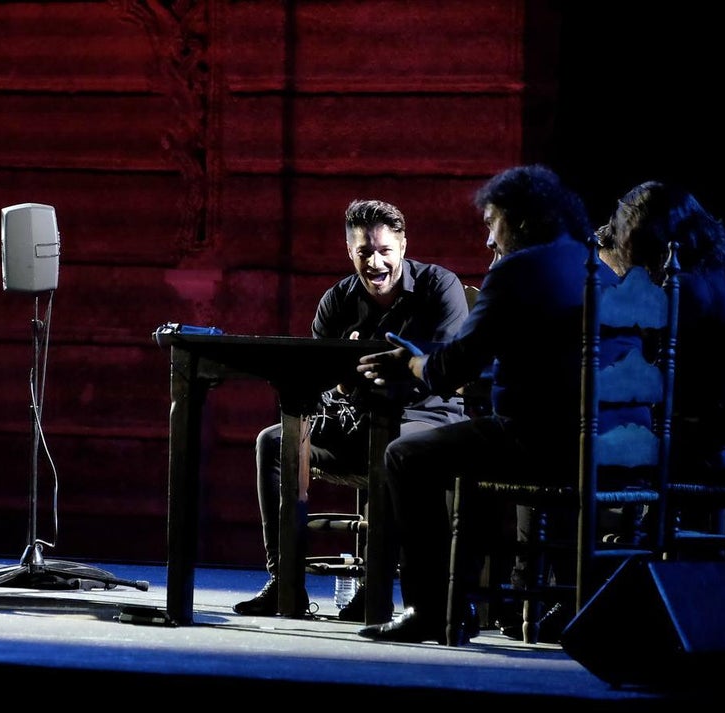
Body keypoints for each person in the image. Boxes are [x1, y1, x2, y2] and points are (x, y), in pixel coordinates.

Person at [353, 165, 622, 644]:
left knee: (406, 455)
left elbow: (452, 367)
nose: (488, 239)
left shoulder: (519, 269)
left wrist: (411, 362)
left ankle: (433, 610)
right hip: (612, 445)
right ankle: (472, 601)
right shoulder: (598, 268)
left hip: (544, 445)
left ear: (519, 220)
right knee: (468, 445)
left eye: (492, 223)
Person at [233, 198, 469, 620]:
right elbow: (316, 381)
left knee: (394, 446)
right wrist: (340, 378)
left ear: (403, 246)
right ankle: (286, 583)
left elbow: (449, 366)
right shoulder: (338, 300)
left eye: (384, 251)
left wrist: (383, 374)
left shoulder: (439, 285)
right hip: (357, 422)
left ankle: (374, 588)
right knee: (274, 442)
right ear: (349, 252)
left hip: (426, 417)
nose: (375, 263)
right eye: (364, 252)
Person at [598, 180, 725, 522]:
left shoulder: (679, 290)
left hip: (688, 445)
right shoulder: (715, 271)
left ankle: (610, 545)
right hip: (711, 440)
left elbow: (645, 376)